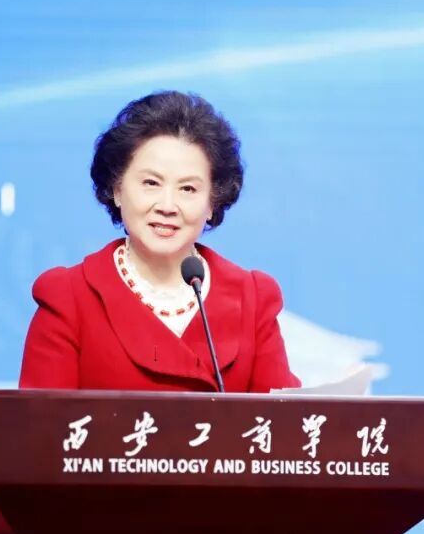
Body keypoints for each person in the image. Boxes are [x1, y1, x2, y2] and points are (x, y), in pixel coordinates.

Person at [18, 91, 300, 392]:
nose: (167, 206)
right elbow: (38, 420)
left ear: (212, 203)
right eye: (151, 183)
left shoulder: (253, 299)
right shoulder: (69, 299)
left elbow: (283, 417)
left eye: (188, 189)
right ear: (117, 188)